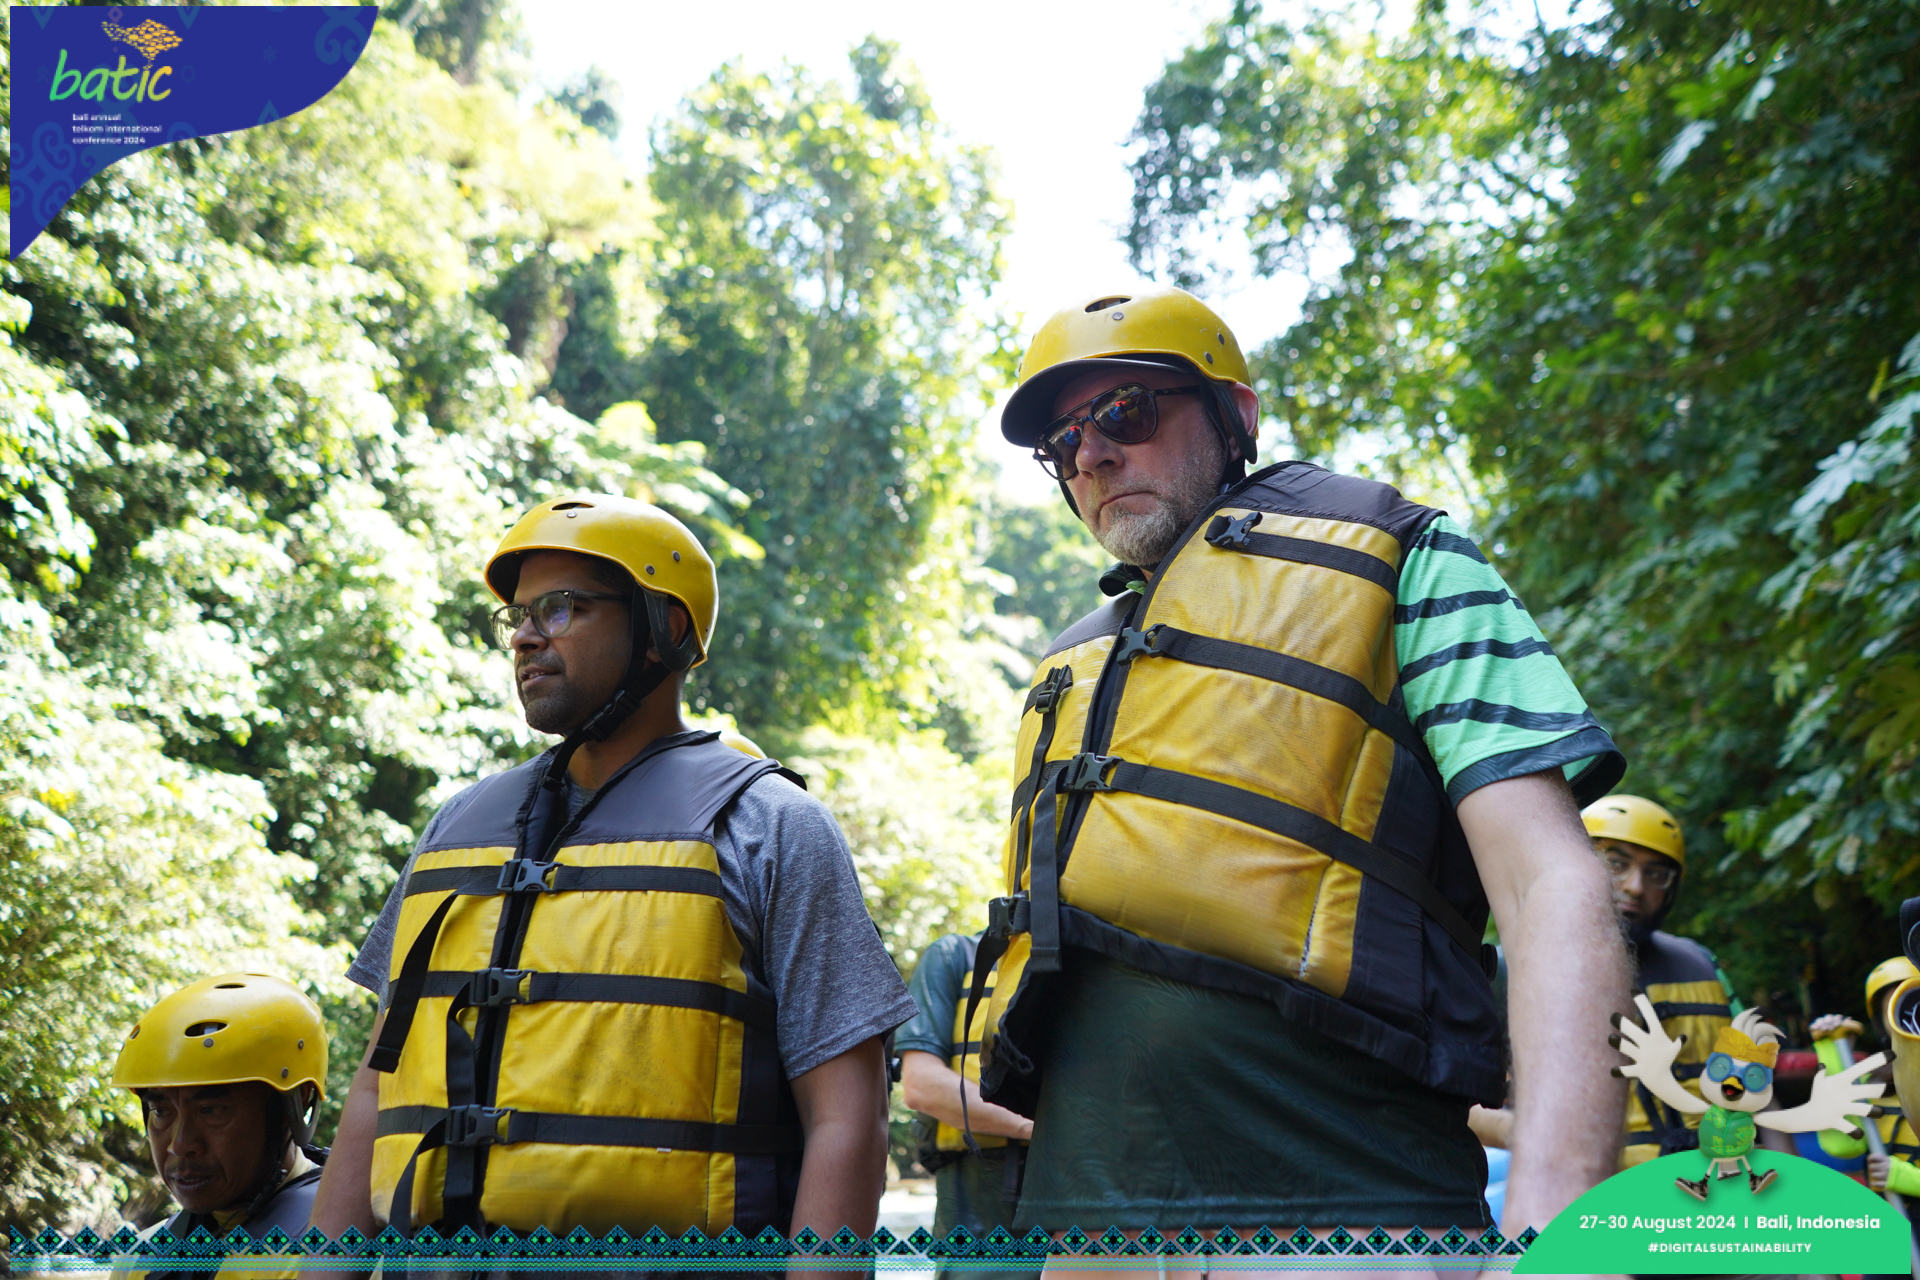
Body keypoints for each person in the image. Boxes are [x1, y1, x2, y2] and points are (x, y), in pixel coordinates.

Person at [974, 284, 1632, 1238]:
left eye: (1125, 411)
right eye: (1062, 443)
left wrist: (1562, 1215)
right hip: (1091, 1225)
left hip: (1344, 1207)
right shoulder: (1072, 665)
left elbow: (1549, 883)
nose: (1092, 455)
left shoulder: (1405, 557)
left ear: (1235, 414)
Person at [308, 494, 918, 1243]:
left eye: (560, 608)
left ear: (665, 629)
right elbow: (376, 1089)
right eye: (517, 616)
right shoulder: (456, 826)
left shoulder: (771, 827)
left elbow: (846, 1119)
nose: (525, 637)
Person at [112, 972, 330, 1241]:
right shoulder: (142, 1254)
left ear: (295, 1104)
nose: (180, 1146)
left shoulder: (351, 1246)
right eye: (161, 1112)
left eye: (211, 1110)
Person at [1583, 795, 1739, 1168]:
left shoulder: (1702, 963)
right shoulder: (1516, 969)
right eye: (1616, 863)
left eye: (1655, 874)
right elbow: (1468, 1109)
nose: (1636, 886)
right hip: (1601, 1188)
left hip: (1718, 1181)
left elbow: (1758, 1087)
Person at [896, 932, 1033, 1243]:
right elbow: (922, 1085)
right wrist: (1042, 1130)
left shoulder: (1094, 961)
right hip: (974, 1200)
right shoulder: (953, 954)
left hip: (1079, 1195)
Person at [1808, 957, 1920, 1195]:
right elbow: (1841, 1146)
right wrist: (1831, 1049)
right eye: (1897, 1011)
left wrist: (1902, 1177)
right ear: (1882, 1023)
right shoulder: (1875, 1086)